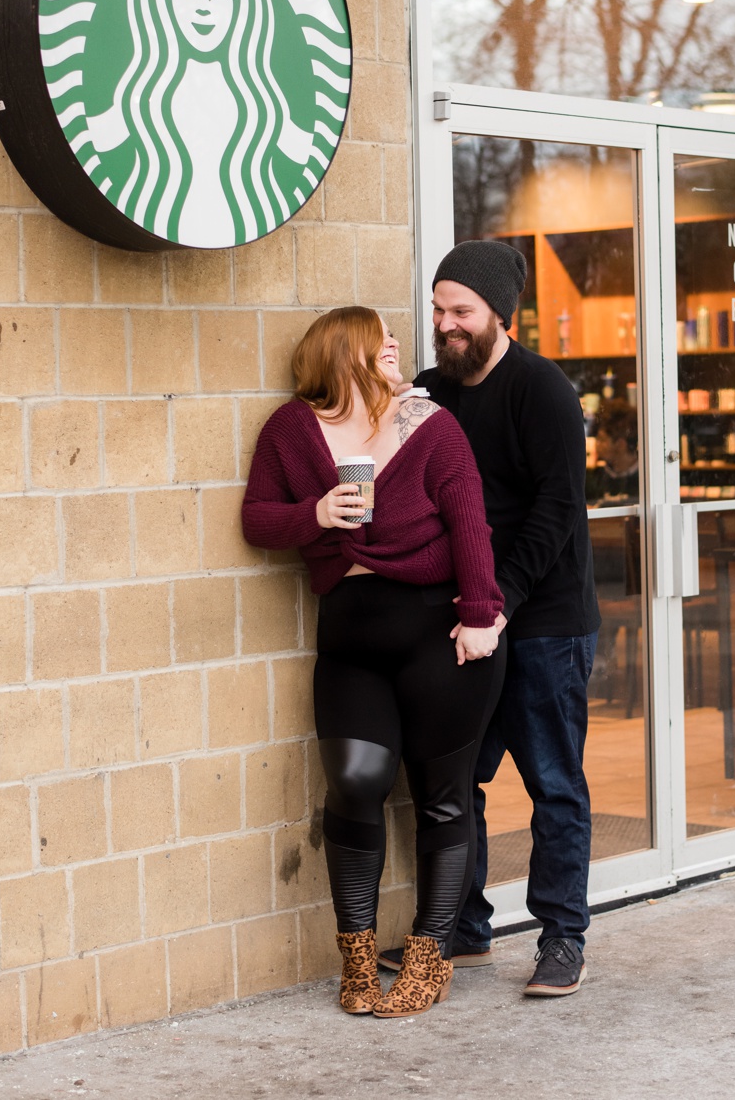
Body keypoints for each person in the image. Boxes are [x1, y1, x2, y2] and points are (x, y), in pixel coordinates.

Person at [242, 306, 505, 1018]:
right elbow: (257, 518)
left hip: (438, 634)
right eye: (378, 337)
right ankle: (356, 959)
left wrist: (481, 618)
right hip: (351, 639)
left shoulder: (429, 425)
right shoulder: (291, 431)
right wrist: (317, 515)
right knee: (356, 783)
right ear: (339, 353)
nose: (395, 345)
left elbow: (469, 523)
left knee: (444, 798)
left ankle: (431, 954)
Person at [404, 239, 597, 999]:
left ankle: (562, 938)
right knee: (457, 777)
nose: (446, 326)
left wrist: (499, 605)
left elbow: (555, 516)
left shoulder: (543, 392)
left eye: (461, 312)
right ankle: (464, 927)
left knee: (553, 782)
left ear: (498, 315)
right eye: (438, 310)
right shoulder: (430, 391)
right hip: (471, 615)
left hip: (543, 615)